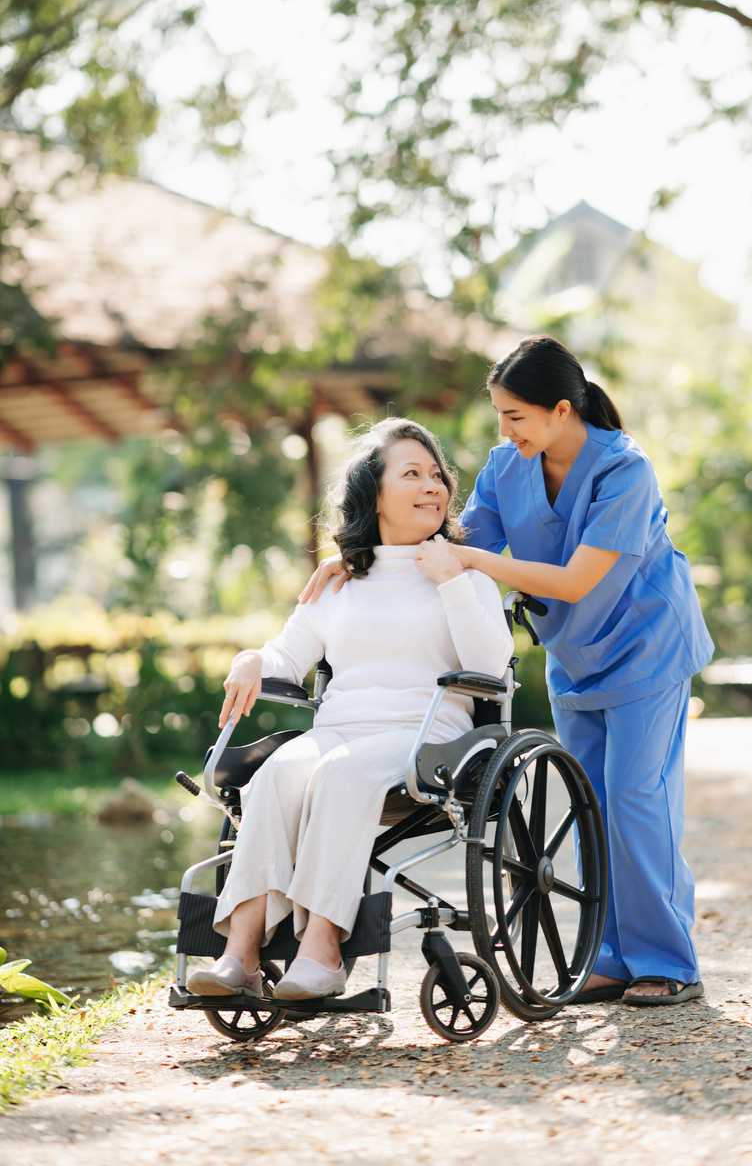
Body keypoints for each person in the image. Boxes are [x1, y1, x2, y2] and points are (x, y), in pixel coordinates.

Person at [302, 336, 713, 1007]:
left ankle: (667, 959)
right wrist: (358, 556)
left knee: (637, 800)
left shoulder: (623, 471)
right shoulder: (507, 465)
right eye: (498, 414)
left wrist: (476, 565)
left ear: (558, 409)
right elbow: (458, 543)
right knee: (591, 810)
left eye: (514, 415)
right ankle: (610, 957)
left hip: (647, 649)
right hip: (574, 656)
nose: (503, 430)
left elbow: (576, 579)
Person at [187, 418, 513, 1002]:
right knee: (277, 772)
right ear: (374, 494)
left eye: (437, 475)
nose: (433, 486)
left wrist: (451, 579)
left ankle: (324, 951)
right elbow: (286, 654)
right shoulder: (340, 581)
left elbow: (491, 665)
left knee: (341, 772)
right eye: (411, 473)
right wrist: (251, 658)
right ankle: (241, 954)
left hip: (429, 737)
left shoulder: (467, 570)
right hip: (339, 729)